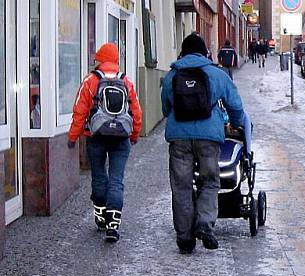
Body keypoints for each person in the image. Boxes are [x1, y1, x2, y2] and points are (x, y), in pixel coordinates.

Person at [161, 32, 245, 254]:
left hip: (179, 138)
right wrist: (237, 125)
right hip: (209, 138)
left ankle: (185, 239)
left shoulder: (172, 76)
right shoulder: (216, 75)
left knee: (181, 186)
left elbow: (165, 108)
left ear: (182, 52)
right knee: (209, 181)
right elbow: (234, 104)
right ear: (204, 52)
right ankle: (205, 225)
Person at [68, 43, 142, 243]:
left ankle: (101, 217)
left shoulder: (91, 80)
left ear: (100, 59)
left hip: (97, 137)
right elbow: (136, 112)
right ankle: (113, 224)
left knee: (100, 176)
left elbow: (80, 111)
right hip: (121, 138)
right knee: (117, 179)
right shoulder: (126, 81)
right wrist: (134, 135)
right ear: (116, 60)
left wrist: (73, 137)